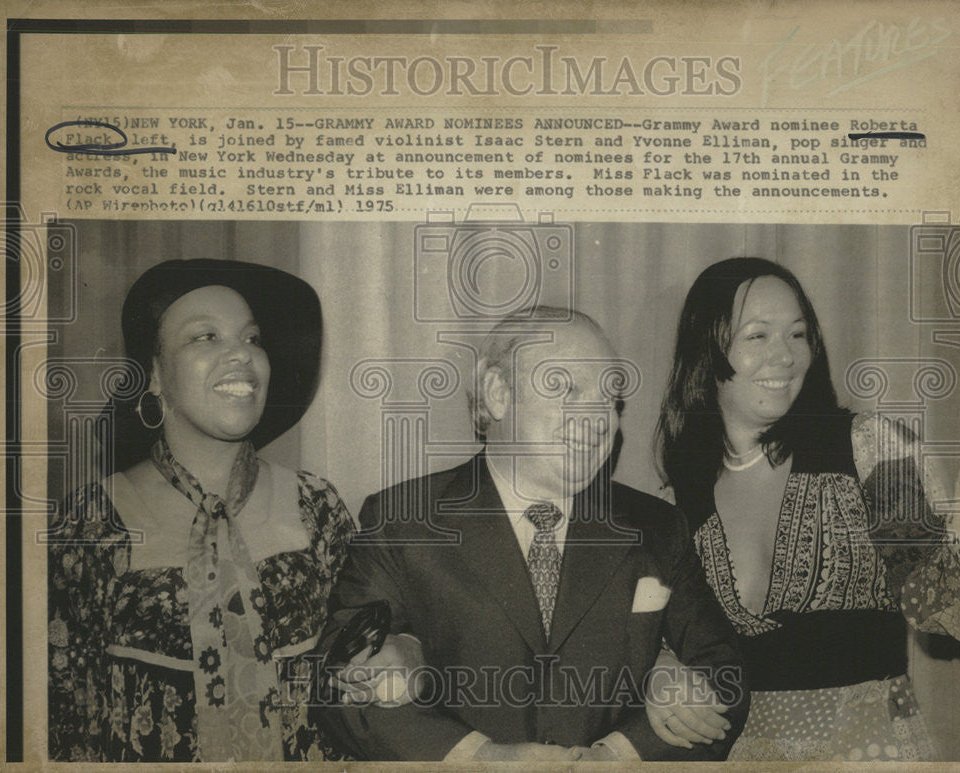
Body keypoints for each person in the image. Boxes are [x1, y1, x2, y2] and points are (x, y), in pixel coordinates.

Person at [314, 307, 750, 761]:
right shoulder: (402, 521)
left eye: (608, 398)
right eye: (563, 386)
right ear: (498, 394)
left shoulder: (656, 526)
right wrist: (479, 759)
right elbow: (336, 685)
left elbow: (725, 677)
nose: (597, 417)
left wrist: (622, 755)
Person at [651, 257, 960, 761]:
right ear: (708, 348)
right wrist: (659, 668)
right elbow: (642, 638)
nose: (786, 356)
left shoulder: (870, 450)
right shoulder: (679, 500)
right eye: (758, 336)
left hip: (867, 751)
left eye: (797, 335)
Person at [48, 259, 357, 761]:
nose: (241, 354)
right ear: (152, 376)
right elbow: (61, 729)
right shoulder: (89, 524)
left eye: (253, 339)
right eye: (204, 337)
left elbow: (362, 693)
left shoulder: (318, 507)